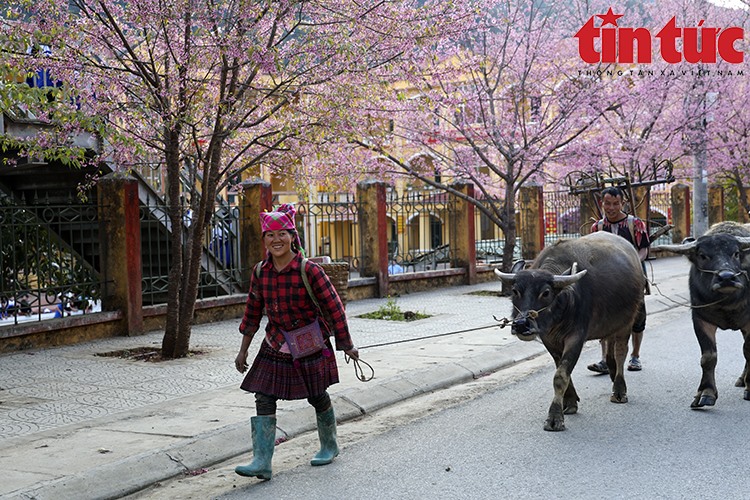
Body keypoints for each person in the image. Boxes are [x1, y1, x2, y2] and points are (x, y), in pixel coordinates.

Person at [234, 203, 359, 481]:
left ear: (292, 236)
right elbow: (252, 312)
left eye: (282, 234)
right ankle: (262, 460)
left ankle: (329, 445)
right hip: (275, 341)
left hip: (308, 342)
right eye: (270, 235)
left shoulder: (309, 270)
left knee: (316, 395)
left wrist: (346, 344)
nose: (276, 240)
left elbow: (334, 308)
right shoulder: (260, 272)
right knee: (264, 396)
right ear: (264, 239)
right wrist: (243, 350)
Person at [587, 186, 650, 374]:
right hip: (606, 281)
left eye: (615, 204)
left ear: (622, 203)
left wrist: (631, 263)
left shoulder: (635, 224)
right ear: (602, 203)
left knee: (637, 317)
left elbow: (644, 250)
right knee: (605, 317)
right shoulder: (596, 228)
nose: (611, 207)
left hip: (632, 276)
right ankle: (606, 359)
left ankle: (635, 357)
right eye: (607, 203)